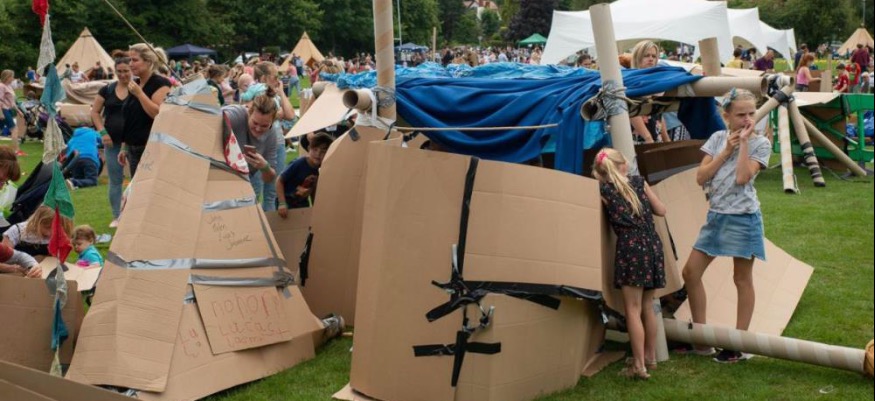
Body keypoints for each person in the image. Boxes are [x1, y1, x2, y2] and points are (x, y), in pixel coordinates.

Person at [680, 88, 770, 364]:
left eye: (751, 113)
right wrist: (727, 150)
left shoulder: (761, 143)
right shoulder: (717, 138)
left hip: (743, 218)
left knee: (741, 279)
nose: (747, 119)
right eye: (741, 114)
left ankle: (738, 344)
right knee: (690, 273)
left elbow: (742, 177)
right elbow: (700, 177)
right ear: (726, 116)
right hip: (716, 217)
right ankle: (702, 339)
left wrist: (743, 144)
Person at [593, 148, 667, 380]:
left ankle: (638, 366)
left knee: (632, 310)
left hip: (630, 248)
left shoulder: (604, 191)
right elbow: (661, 210)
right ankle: (650, 358)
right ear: (623, 164)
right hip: (653, 245)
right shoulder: (639, 182)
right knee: (648, 305)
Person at [243, 62, 295, 212]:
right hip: (257, 146)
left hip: (277, 144)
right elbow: (252, 110)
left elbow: (290, 115)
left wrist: (281, 92)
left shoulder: (274, 94)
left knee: (272, 193)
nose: (278, 79)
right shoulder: (257, 92)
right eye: (275, 76)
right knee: (254, 191)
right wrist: (276, 113)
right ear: (264, 77)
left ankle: (269, 224)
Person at [118, 43, 171, 178]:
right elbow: (130, 117)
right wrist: (124, 147)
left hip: (150, 148)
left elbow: (158, 114)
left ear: (148, 62)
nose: (130, 64)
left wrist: (140, 94)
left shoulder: (160, 83)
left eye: (135, 60)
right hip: (133, 147)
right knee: (135, 188)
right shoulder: (135, 83)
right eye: (130, 60)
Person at [92, 54, 132, 228]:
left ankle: (136, 215)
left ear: (132, 70)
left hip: (134, 141)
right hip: (112, 142)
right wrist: (103, 132)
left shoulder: (138, 88)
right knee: (115, 180)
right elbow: (95, 112)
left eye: (126, 71)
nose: (123, 75)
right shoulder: (107, 90)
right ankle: (117, 216)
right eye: (119, 71)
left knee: (138, 180)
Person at [222, 91, 279, 202]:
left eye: (264, 126)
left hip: (247, 177)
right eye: (255, 123)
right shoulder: (238, 114)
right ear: (249, 113)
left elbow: (269, 179)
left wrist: (264, 167)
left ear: (272, 122)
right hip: (221, 175)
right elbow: (211, 119)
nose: (258, 129)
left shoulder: (271, 134)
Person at [276, 132, 333, 216]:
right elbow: (279, 180)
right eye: (315, 150)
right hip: (286, 202)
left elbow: (313, 189)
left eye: (323, 151)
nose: (318, 154)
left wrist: (315, 207)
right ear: (309, 148)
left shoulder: (320, 168)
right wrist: (282, 203)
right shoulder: (299, 163)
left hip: (302, 203)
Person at [629, 41, 669, 143]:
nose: (651, 59)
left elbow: (659, 112)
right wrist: (648, 138)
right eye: (646, 55)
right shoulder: (632, 80)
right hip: (640, 138)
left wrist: (666, 137)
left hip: (655, 135)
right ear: (637, 57)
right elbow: (632, 112)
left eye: (654, 56)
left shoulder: (655, 80)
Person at [2, 205, 73, 261]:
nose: (50, 233)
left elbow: (57, 260)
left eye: (56, 230)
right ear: (37, 220)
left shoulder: (61, 236)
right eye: (46, 227)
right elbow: (3, 259)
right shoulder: (17, 231)